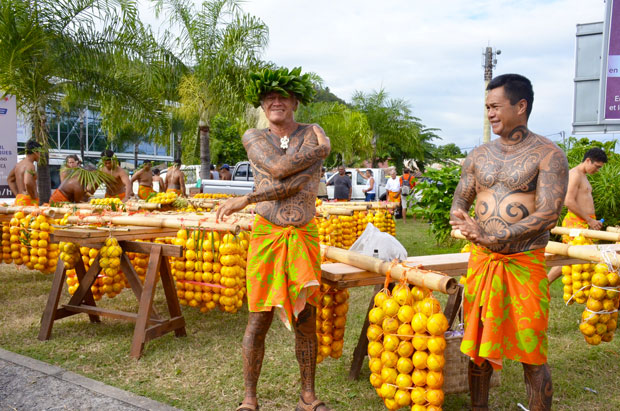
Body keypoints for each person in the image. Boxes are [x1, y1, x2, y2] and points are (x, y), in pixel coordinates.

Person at [449, 74, 568, 411]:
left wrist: (495, 235)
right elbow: (459, 202)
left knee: (532, 351)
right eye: (487, 107)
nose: (490, 113)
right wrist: (462, 221)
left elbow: (547, 214)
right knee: (478, 344)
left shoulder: (549, 154)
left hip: (523, 264)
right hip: (483, 263)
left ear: (521, 106)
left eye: (496, 106)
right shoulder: (478, 154)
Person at [216, 66, 331, 411]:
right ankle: (249, 398)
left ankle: (307, 396)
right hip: (266, 235)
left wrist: (249, 197)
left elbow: (296, 185)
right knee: (258, 316)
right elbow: (282, 172)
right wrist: (321, 151)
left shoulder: (312, 131)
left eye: (282, 96)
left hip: (304, 235)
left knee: (306, 318)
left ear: (295, 101)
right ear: (262, 106)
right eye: (269, 98)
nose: (276, 102)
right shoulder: (254, 137)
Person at [547, 147, 607, 282]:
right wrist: (589, 220)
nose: (597, 170)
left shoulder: (583, 176)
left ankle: (542, 288)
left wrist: (591, 221)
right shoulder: (574, 174)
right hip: (575, 222)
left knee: (577, 259)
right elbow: (568, 201)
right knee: (568, 258)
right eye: (597, 167)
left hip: (584, 222)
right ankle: (541, 288)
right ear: (587, 160)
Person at [8, 139, 41, 206]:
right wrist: (33, 196)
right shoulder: (30, 165)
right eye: (39, 152)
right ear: (35, 152)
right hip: (28, 201)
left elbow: (10, 179)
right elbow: (27, 182)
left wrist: (17, 194)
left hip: (20, 199)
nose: (40, 155)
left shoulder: (18, 165)